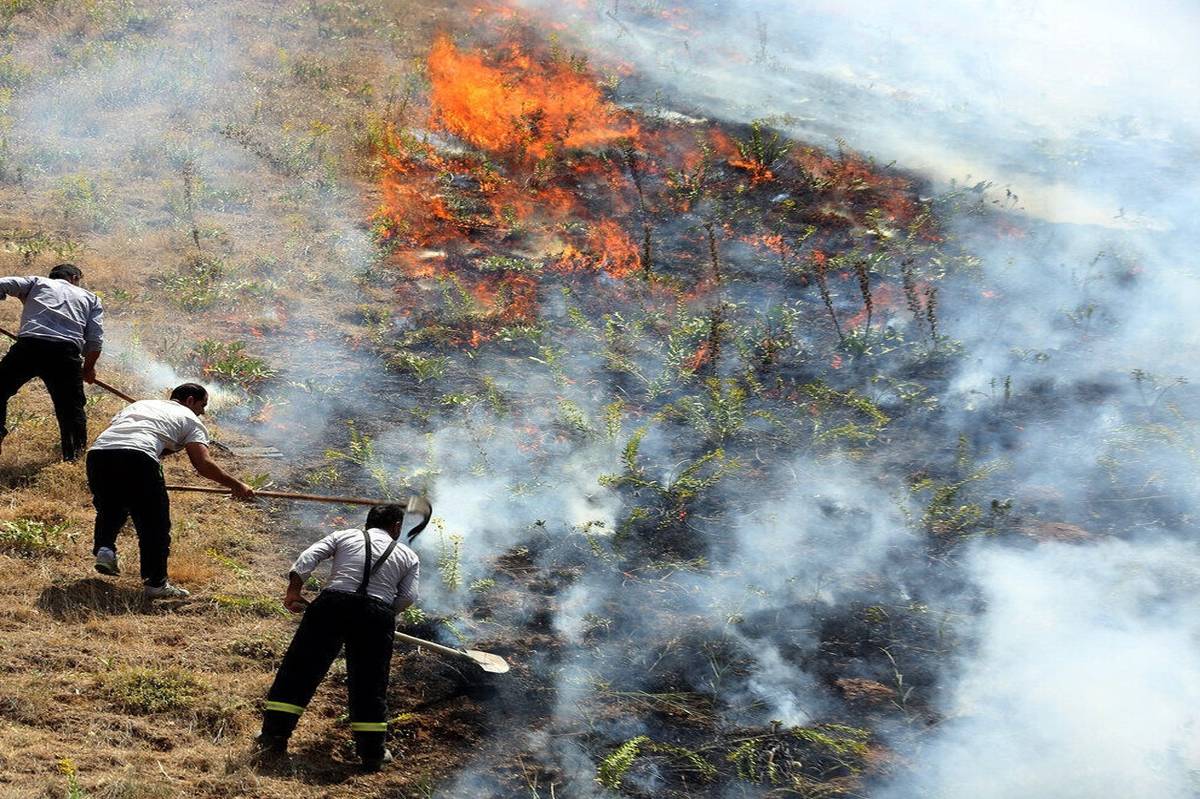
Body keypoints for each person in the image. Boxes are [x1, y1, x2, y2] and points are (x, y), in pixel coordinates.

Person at [256, 503, 426, 771]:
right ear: (396, 527)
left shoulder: (344, 536)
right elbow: (408, 597)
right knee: (370, 683)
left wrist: (293, 591)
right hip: (377, 614)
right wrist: (381, 615)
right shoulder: (408, 555)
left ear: (368, 522)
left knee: (300, 671)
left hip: (332, 605)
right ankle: (372, 754)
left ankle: (273, 738)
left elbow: (308, 558)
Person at [88, 382, 255, 598]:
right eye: (203, 405)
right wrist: (237, 485)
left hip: (98, 455)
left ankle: (105, 549)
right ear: (190, 401)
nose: (203, 412)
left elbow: (129, 436)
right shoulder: (190, 419)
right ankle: (156, 584)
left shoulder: (140, 405)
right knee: (154, 524)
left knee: (111, 506)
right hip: (139, 457)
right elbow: (202, 464)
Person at [0, 263, 104, 460]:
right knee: (70, 409)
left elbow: (2, 284)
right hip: (65, 355)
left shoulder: (36, 283)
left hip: (29, 347)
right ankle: (73, 458)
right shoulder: (91, 298)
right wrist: (88, 369)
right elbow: (95, 341)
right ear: (74, 278)